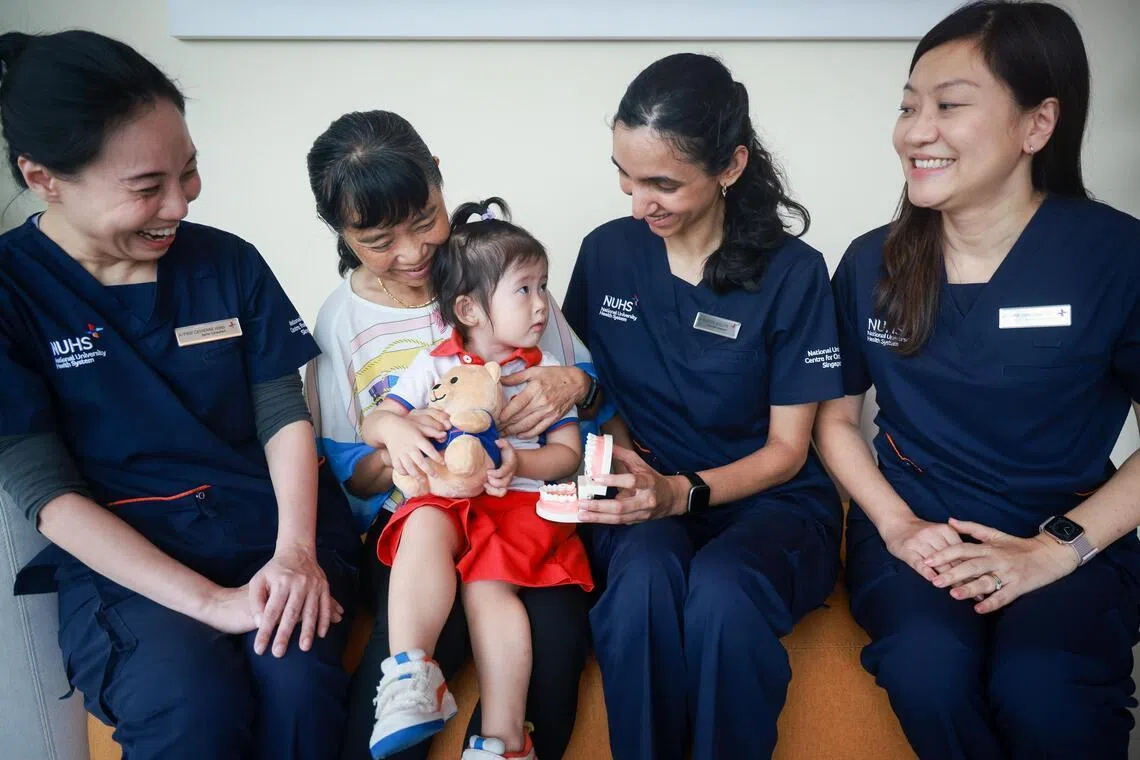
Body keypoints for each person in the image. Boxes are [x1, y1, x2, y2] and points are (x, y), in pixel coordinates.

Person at [0, 30, 359, 760]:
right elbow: (44, 489)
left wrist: (295, 554)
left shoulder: (226, 262)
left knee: (297, 686)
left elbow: (280, 409)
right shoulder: (13, 292)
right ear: (44, 178)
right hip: (132, 559)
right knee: (191, 705)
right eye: (145, 187)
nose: (180, 204)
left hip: (273, 530)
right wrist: (210, 603)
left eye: (188, 172)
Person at [814, 2, 1140, 758]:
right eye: (908, 106)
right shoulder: (873, 262)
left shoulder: (1113, 255)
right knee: (929, 671)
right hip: (913, 532)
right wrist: (898, 528)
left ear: (1037, 125)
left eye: (949, 105)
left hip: (1063, 531)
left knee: (1045, 687)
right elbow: (835, 421)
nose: (916, 130)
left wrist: (1057, 550)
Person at [563, 53, 844, 760]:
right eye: (624, 176)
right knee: (641, 589)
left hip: (769, 500)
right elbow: (592, 384)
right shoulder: (607, 254)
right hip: (643, 489)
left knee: (722, 595)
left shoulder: (794, 273)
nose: (637, 203)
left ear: (730, 166)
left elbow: (787, 451)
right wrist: (624, 459)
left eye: (663, 183)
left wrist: (679, 494)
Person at [305, 111, 599, 760]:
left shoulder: (498, 271)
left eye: (423, 221)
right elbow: (348, 475)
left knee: (555, 642)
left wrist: (572, 388)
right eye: (381, 239)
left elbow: (581, 387)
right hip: (419, 517)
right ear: (341, 234)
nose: (412, 254)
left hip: (520, 508)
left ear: (439, 179)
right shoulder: (341, 323)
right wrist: (403, 446)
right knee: (415, 655)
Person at [362, 198, 593, 760]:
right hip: (448, 498)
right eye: (525, 289)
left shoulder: (539, 376)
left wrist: (522, 463)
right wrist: (400, 427)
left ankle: (505, 739)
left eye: (544, 286)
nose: (542, 304)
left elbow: (567, 453)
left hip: (514, 510)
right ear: (467, 308)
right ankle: (410, 677)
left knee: (491, 590)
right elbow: (375, 421)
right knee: (420, 526)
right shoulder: (435, 365)